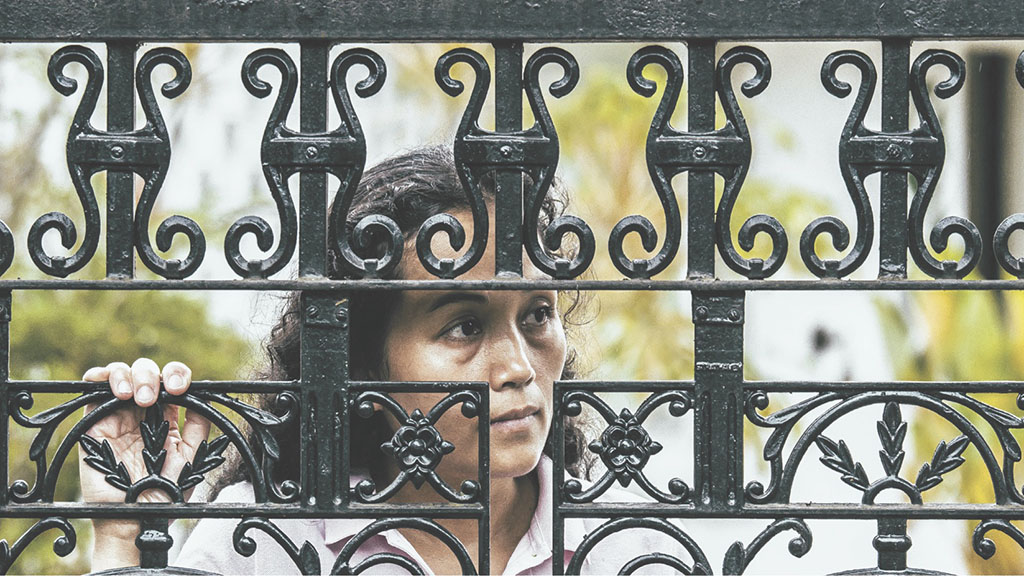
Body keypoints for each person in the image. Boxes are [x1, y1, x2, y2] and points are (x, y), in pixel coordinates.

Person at [80, 146, 685, 575]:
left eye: (536, 315)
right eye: (464, 326)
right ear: (365, 358)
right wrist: (121, 543)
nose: (519, 366)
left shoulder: (629, 545)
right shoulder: (267, 539)